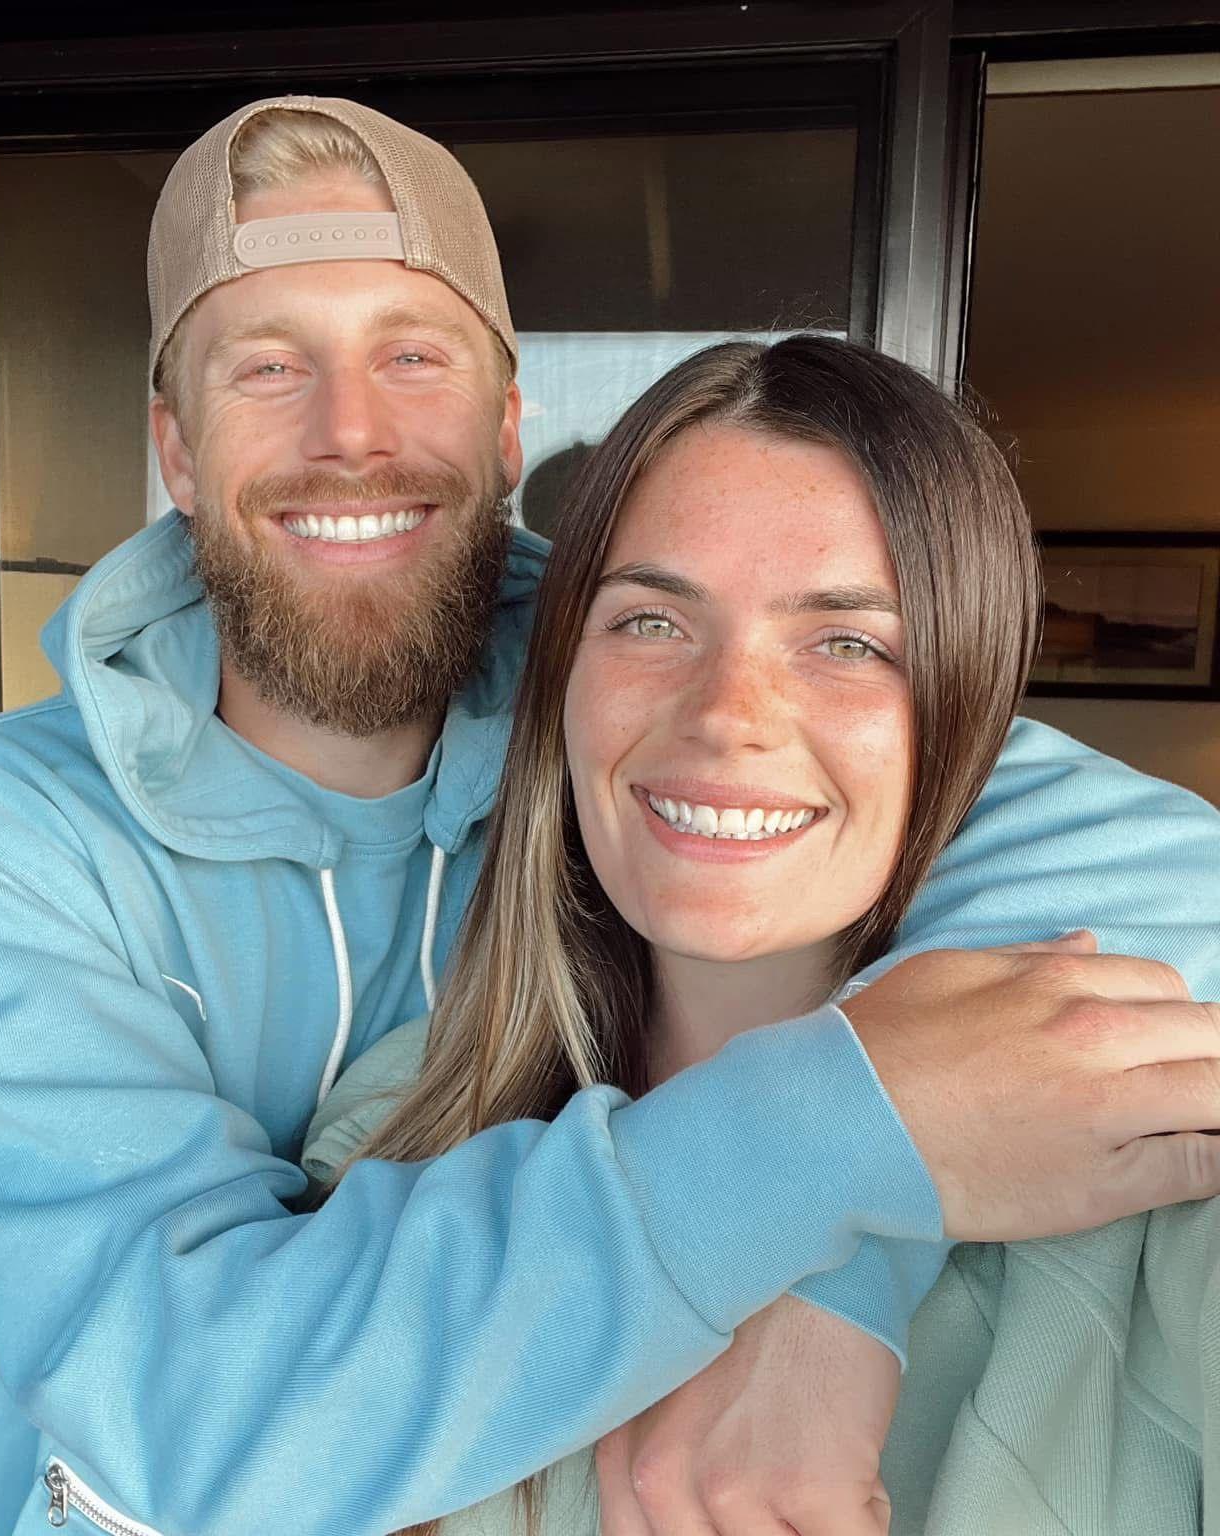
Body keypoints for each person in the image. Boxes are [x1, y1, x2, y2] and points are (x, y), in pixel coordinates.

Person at [0, 96, 1220, 1535]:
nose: (349, 434)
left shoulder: (631, 701)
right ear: (177, 452)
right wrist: (838, 1146)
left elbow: (1114, 852)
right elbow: (191, 1406)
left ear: (507, 431)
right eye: (268, 367)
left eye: (412, 356)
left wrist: (839, 1270)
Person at [302, 334, 1220, 1535]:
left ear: (966, 711)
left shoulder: (1152, 1166)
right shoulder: (392, 1127)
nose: (728, 717)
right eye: (650, 622)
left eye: (848, 643)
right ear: (562, 674)